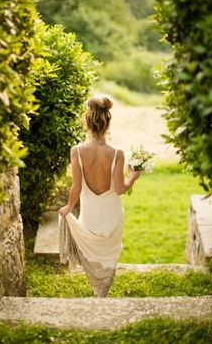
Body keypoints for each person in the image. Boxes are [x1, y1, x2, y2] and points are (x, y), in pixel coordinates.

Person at [58, 93, 141, 297]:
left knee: (93, 254)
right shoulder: (117, 153)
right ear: (107, 122)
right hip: (111, 214)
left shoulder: (76, 151)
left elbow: (76, 187)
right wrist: (133, 177)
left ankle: (97, 290)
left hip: (90, 213)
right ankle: (102, 292)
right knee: (108, 256)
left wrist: (69, 207)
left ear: (87, 121)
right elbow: (120, 189)